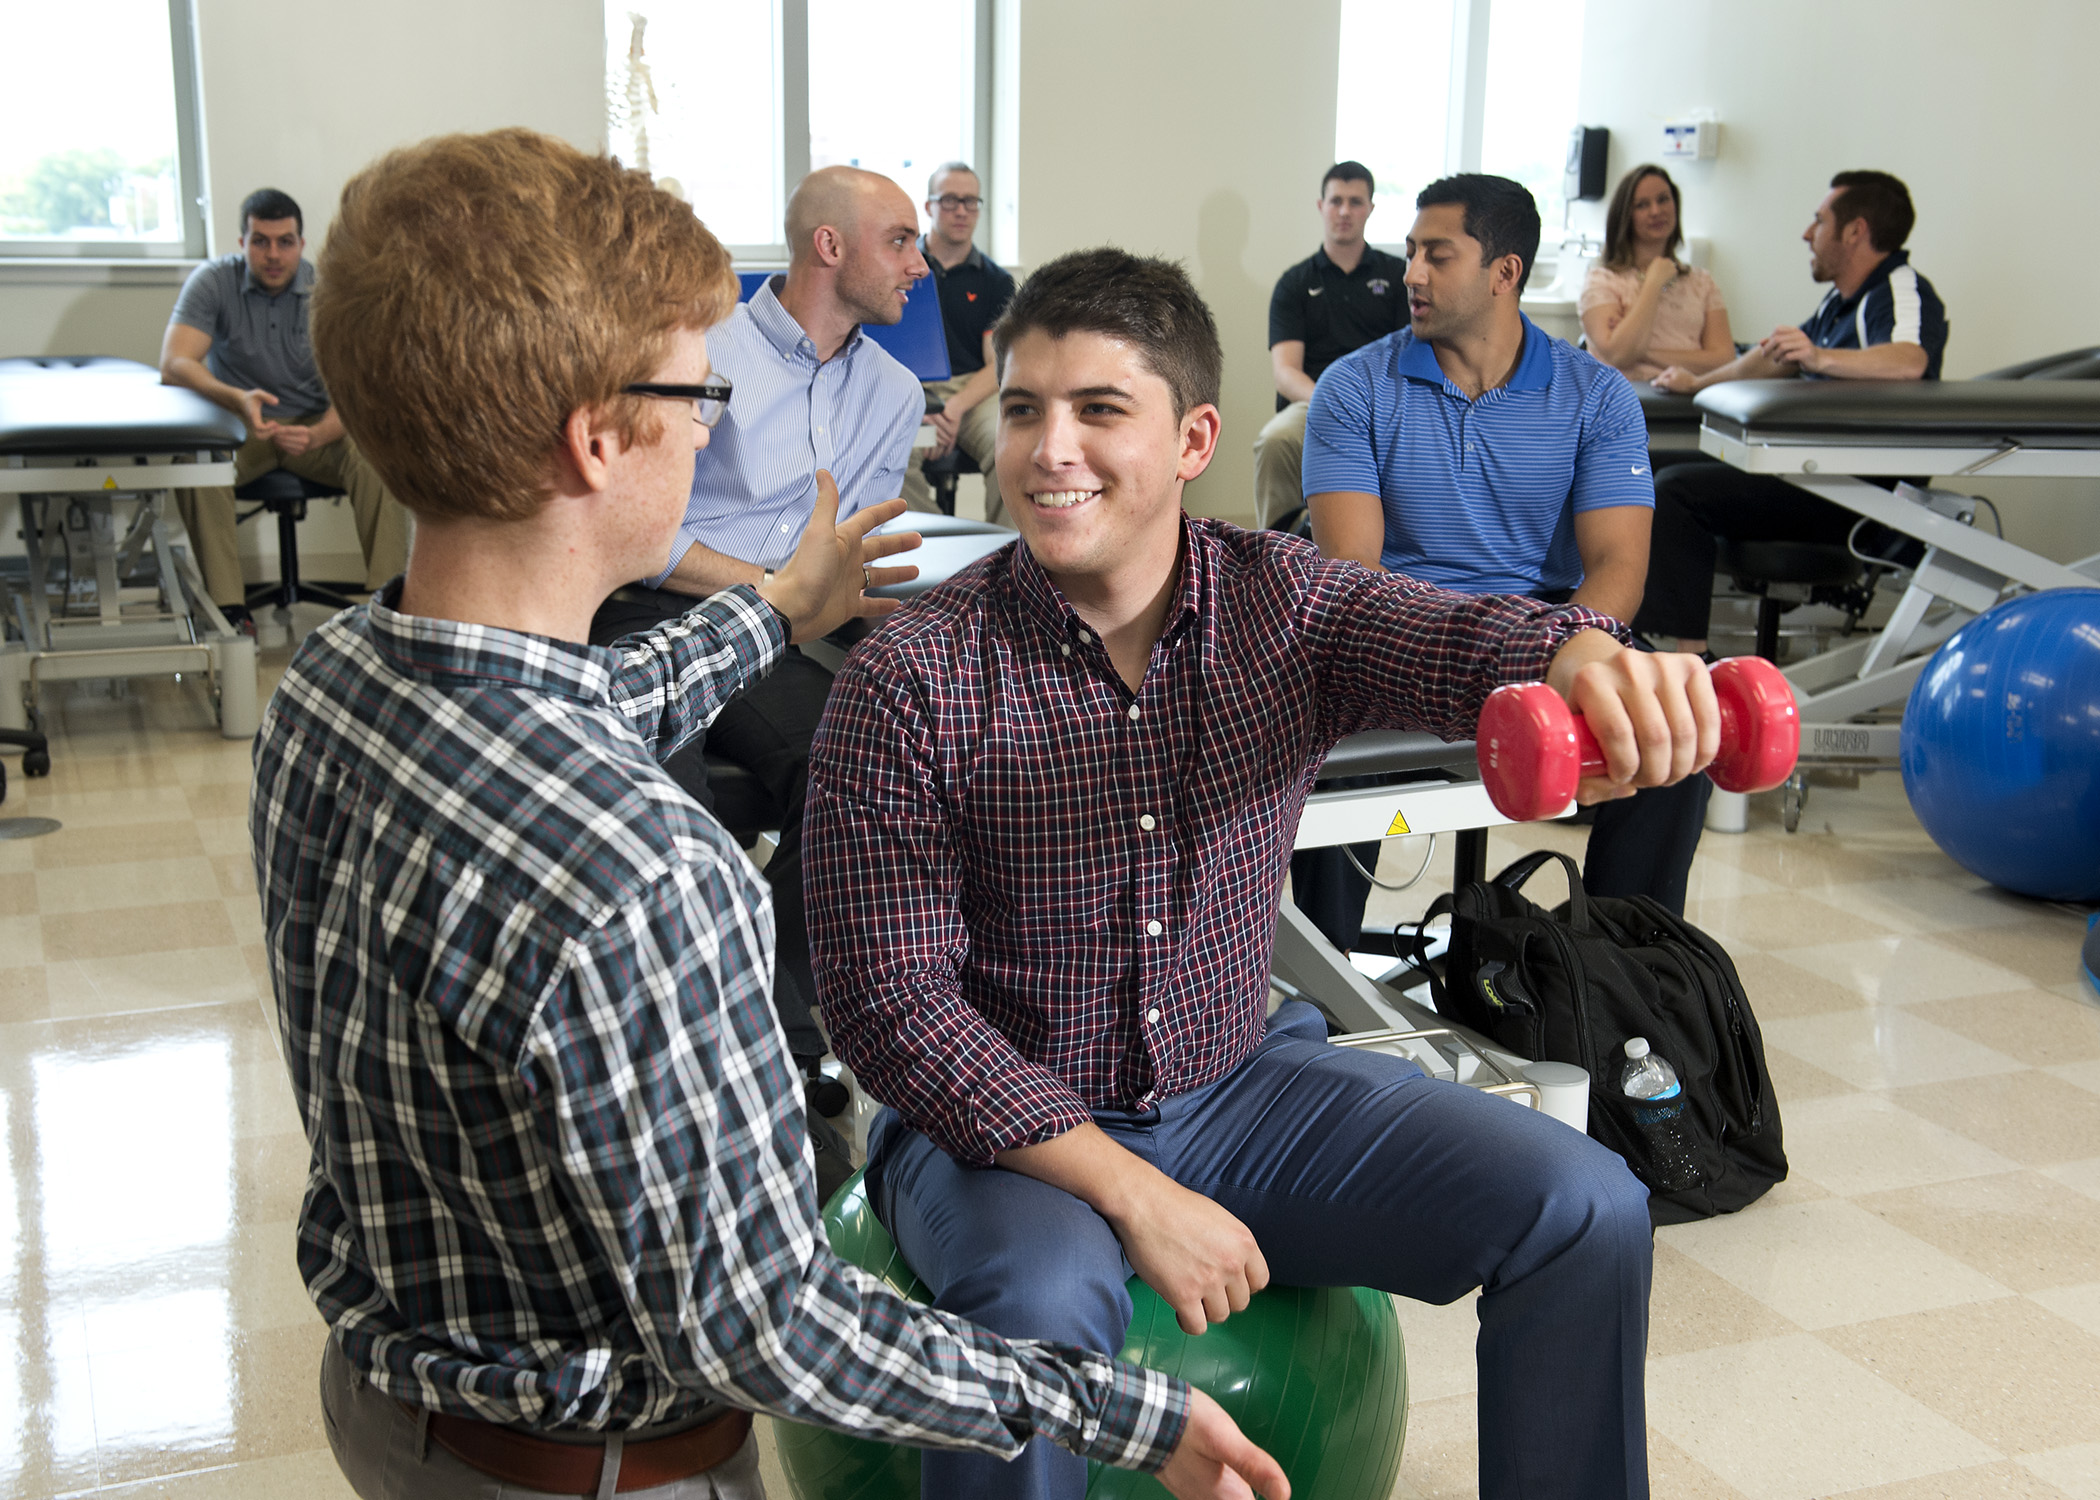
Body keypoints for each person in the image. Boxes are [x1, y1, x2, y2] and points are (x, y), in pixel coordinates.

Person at [255, 128, 1284, 1500]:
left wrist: (778, 607)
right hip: (607, 1465)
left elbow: (585, 698)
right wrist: (1120, 1414)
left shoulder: (329, 682)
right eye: (696, 394)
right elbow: (768, 1321)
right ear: (597, 437)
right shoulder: (645, 874)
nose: (709, 422)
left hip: (398, 1408)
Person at [808, 246, 1718, 1500]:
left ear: (1193, 441)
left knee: (1587, 1207)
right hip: (1000, 1131)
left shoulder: (1279, 606)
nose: (1048, 449)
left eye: (1098, 411)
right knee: (1034, 1304)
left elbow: (1454, 634)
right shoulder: (911, 679)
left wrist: (1577, 655)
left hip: (1237, 1080)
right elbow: (890, 1012)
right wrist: (1132, 1193)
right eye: (1023, 410)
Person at [588, 165, 925, 1147]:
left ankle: (769, 1023)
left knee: (861, 766)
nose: (919, 265)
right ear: (831, 247)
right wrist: (778, 593)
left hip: (780, 627)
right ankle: (724, 1046)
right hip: (654, 605)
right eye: (899, 241)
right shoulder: (705, 351)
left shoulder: (893, 392)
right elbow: (640, 530)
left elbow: (845, 551)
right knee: (671, 816)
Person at [1299, 173, 1707, 943]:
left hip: (1551, 641)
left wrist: (1563, 660)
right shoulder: (1354, 388)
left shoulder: (1597, 396)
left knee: (1671, 749)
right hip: (1402, 649)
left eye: (1437, 255)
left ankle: (1618, 978)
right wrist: (1476, 660)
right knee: (1319, 724)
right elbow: (1355, 578)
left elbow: (1618, 567)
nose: (1412, 272)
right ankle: (1323, 993)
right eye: (1412, 252)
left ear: (1504, 272)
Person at [1636, 170, 1949, 654]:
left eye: (1818, 221)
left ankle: (1689, 657)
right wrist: (1699, 383)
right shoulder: (1840, 303)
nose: (1808, 233)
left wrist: (1820, 358)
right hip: (1811, 477)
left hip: (1854, 497)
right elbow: (1773, 355)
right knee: (1639, 470)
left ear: (1855, 231)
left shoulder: (1899, 288)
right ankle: (1615, 628)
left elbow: (1910, 360)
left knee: (1677, 492)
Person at [161, 187, 411, 626]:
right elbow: (175, 363)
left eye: (285, 242)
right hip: (241, 427)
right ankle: (229, 610)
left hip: (316, 430)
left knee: (378, 454)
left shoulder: (330, 290)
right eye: (260, 241)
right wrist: (236, 398)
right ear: (242, 244)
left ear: (301, 243)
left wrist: (319, 434)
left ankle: (387, 611)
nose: (273, 254)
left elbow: (363, 388)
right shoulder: (214, 282)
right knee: (196, 460)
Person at [1252, 162, 1407, 526]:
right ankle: (1276, 558)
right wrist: (1335, 404)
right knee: (1274, 440)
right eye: (1336, 200)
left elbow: (1409, 359)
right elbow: (1286, 372)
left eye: (1355, 202)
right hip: (1314, 403)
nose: (1344, 211)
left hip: (1383, 406)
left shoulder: (1400, 279)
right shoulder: (1294, 283)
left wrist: (1371, 410)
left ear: (1370, 208)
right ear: (1321, 206)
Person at [898, 161, 1018, 521]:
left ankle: (1007, 558)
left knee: (1011, 447)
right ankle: (939, 549)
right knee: (885, 456)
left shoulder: (995, 281)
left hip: (971, 392)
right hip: (907, 388)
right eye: (950, 201)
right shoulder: (900, 268)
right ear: (929, 207)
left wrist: (953, 408)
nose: (962, 211)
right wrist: (924, 404)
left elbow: (998, 362)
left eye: (971, 201)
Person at [1578, 164, 1734, 383]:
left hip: (1688, 400)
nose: (1656, 211)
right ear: (1625, 215)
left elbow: (1724, 360)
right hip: (1623, 403)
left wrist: (1644, 352)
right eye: (1642, 205)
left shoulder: (1702, 282)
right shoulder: (1601, 281)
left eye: (1663, 199)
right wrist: (1653, 284)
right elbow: (1619, 355)